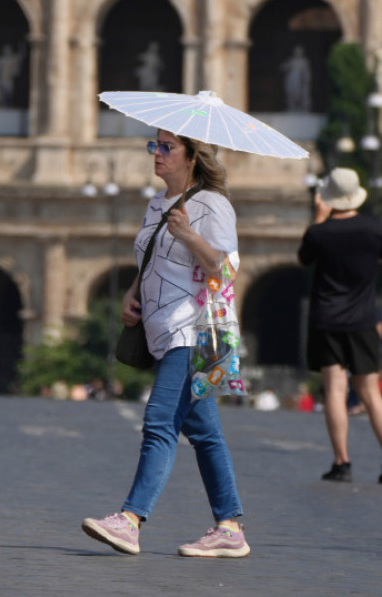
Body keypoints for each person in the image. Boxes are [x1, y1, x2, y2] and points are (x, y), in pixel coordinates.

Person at [82, 130, 249, 558]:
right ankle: (229, 526)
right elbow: (151, 257)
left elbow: (225, 272)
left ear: (192, 157)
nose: (156, 154)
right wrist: (131, 293)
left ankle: (131, 519)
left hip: (194, 330)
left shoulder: (213, 204)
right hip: (161, 329)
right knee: (204, 431)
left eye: (167, 147)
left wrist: (191, 235)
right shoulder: (157, 203)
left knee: (160, 422)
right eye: (153, 146)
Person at [297, 167, 382, 484]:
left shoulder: (320, 232)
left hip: (326, 319)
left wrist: (319, 219)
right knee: (371, 393)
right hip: (362, 320)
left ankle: (342, 462)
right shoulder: (375, 230)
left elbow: (303, 259)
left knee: (335, 389)